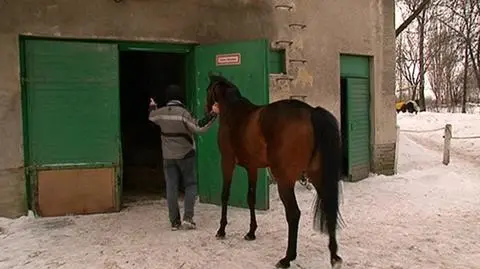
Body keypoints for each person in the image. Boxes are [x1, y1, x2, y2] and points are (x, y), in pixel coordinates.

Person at [148, 84, 220, 231]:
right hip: (186, 155)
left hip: (168, 157)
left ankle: (174, 222)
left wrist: (152, 106)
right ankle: (188, 218)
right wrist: (213, 114)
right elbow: (199, 127)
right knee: (190, 185)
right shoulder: (183, 113)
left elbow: (151, 117)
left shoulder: (160, 113)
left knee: (171, 187)